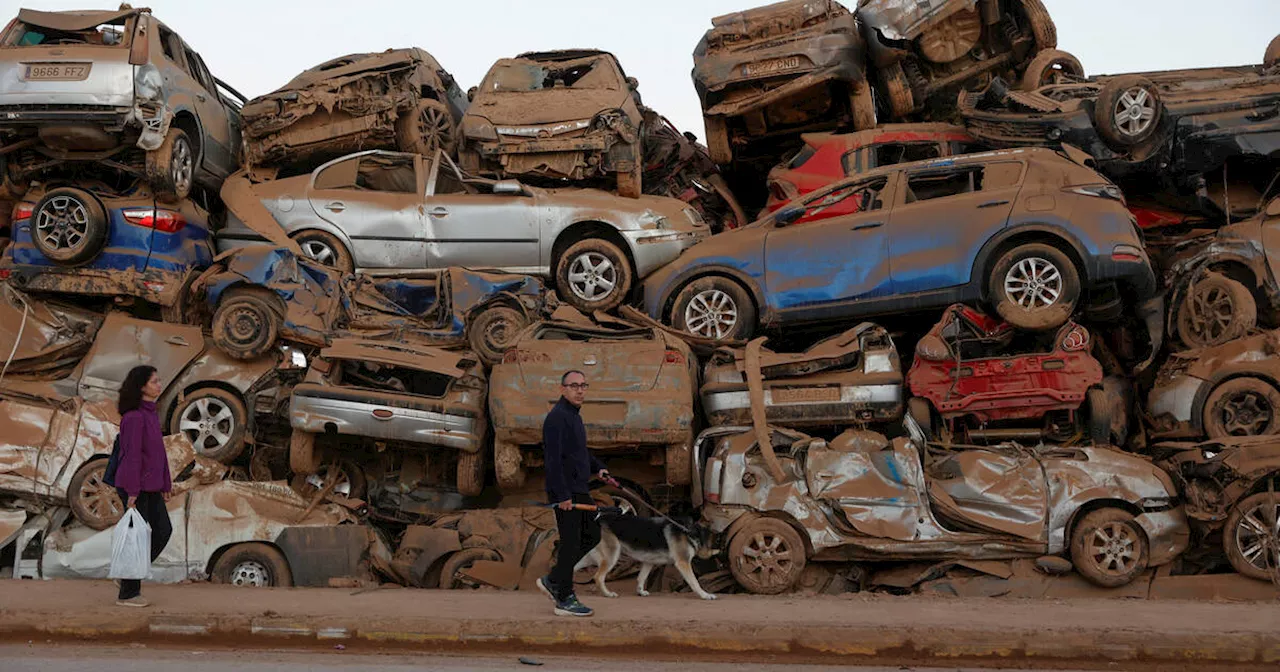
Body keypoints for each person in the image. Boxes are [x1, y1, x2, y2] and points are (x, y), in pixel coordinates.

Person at [536, 369, 611, 617]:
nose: (580, 390)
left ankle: (555, 579)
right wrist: (561, 495)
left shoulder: (574, 417)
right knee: (571, 543)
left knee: (592, 535)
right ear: (562, 389)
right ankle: (564, 598)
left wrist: (598, 468)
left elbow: (580, 453)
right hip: (567, 492)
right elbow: (553, 461)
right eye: (574, 385)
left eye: (583, 385)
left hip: (580, 489)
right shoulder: (557, 418)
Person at [112, 365, 174, 608]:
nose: (159, 385)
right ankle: (128, 593)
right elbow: (131, 457)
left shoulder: (151, 413)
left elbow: (158, 453)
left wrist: (165, 482)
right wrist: (132, 491)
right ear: (141, 387)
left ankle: (127, 575)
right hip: (134, 486)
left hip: (150, 486)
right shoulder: (134, 418)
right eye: (154, 381)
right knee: (136, 538)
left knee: (163, 531)